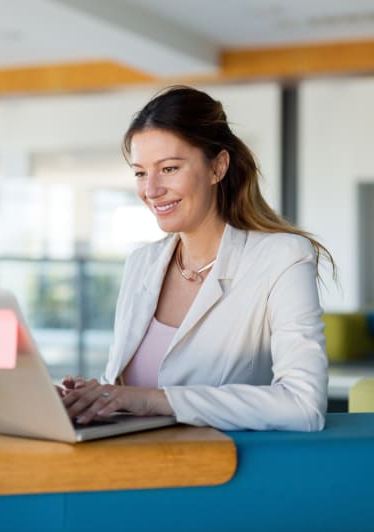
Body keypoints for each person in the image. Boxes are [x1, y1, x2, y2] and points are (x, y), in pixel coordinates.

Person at [61, 85, 335, 431]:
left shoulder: (282, 258)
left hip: (218, 472)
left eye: (170, 168)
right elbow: (124, 387)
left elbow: (303, 404)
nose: (151, 189)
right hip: (130, 468)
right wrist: (93, 398)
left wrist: (152, 399)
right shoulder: (141, 263)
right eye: (140, 172)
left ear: (217, 167)